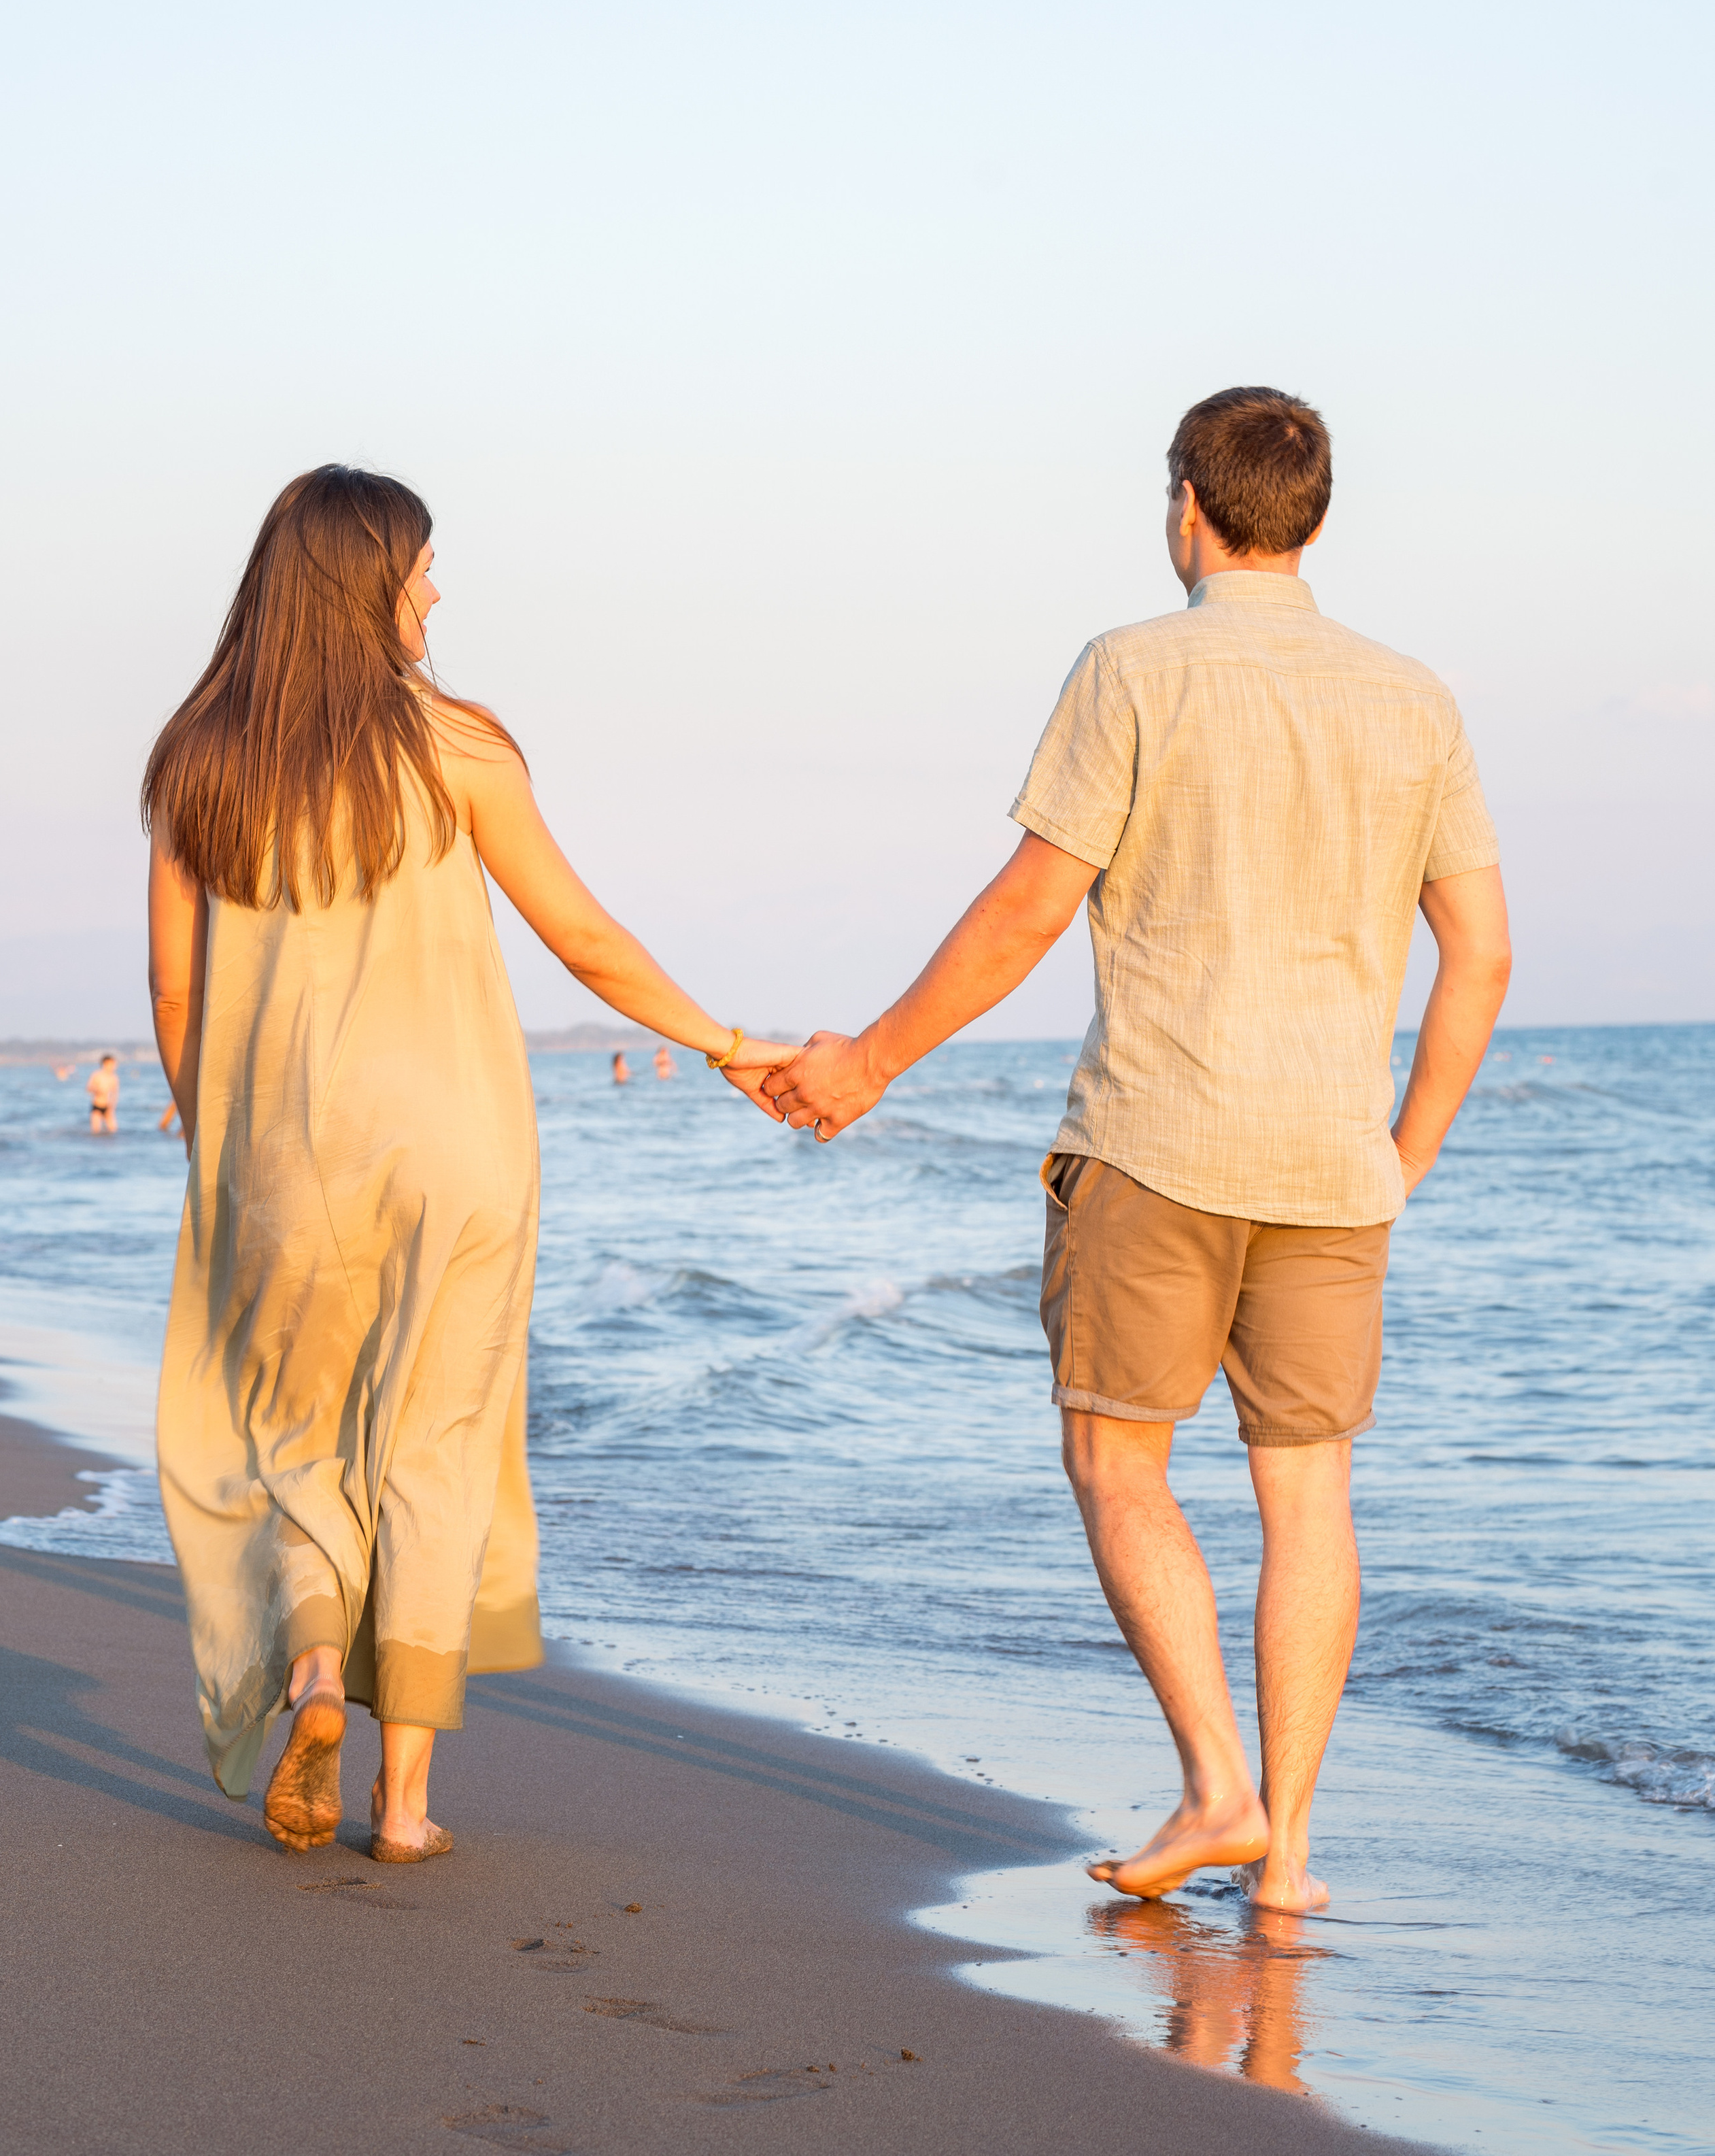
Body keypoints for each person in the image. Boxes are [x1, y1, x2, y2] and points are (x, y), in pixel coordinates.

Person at [764, 388, 1510, 1915]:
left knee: (1117, 1459)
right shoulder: (1410, 698)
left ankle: (1212, 1786)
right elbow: (1480, 957)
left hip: (1157, 1145)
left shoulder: (1130, 671)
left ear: (1185, 502)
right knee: (1307, 1493)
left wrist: (866, 1063)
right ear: (1311, 515)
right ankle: (1286, 1858)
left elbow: (1032, 909)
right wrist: (1401, 1154)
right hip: (1328, 1165)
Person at [144, 465, 790, 1865]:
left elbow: (176, 990)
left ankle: (315, 1673)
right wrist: (730, 1042)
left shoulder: (199, 753)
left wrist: (218, 1141)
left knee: (294, 1435)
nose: (436, 590)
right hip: (463, 1149)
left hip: (280, 1157)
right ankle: (408, 1805)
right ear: (364, 580)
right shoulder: (457, 745)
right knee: (439, 1442)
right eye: (422, 566)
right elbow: (587, 941)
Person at [86, 1055, 118, 1132]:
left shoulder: (114, 1078)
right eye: (112, 1064)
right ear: (105, 1064)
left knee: (113, 1130)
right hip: (97, 1106)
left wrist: (112, 1107)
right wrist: (96, 1090)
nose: (114, 1066)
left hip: (108, 1107)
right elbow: (88, 1088)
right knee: (96, 1131)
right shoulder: (97, 1075)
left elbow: (115, 1094)